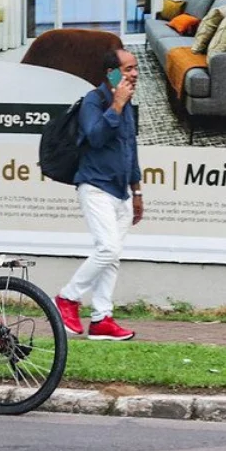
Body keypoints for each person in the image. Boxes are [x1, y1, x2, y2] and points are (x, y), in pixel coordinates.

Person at [54, 49, 143, 341]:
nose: (134, 74)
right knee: (107, 249)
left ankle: (102, 318)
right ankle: (67, 298)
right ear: (111, 73)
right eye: (128, 69)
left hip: (121, 191)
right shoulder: (94, 100)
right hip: (96, 187)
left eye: (135, 68)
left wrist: (137, 191)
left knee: (112, 256)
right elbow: (94, 137)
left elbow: (130, 148)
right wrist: (116, 105)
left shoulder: (128, 104)